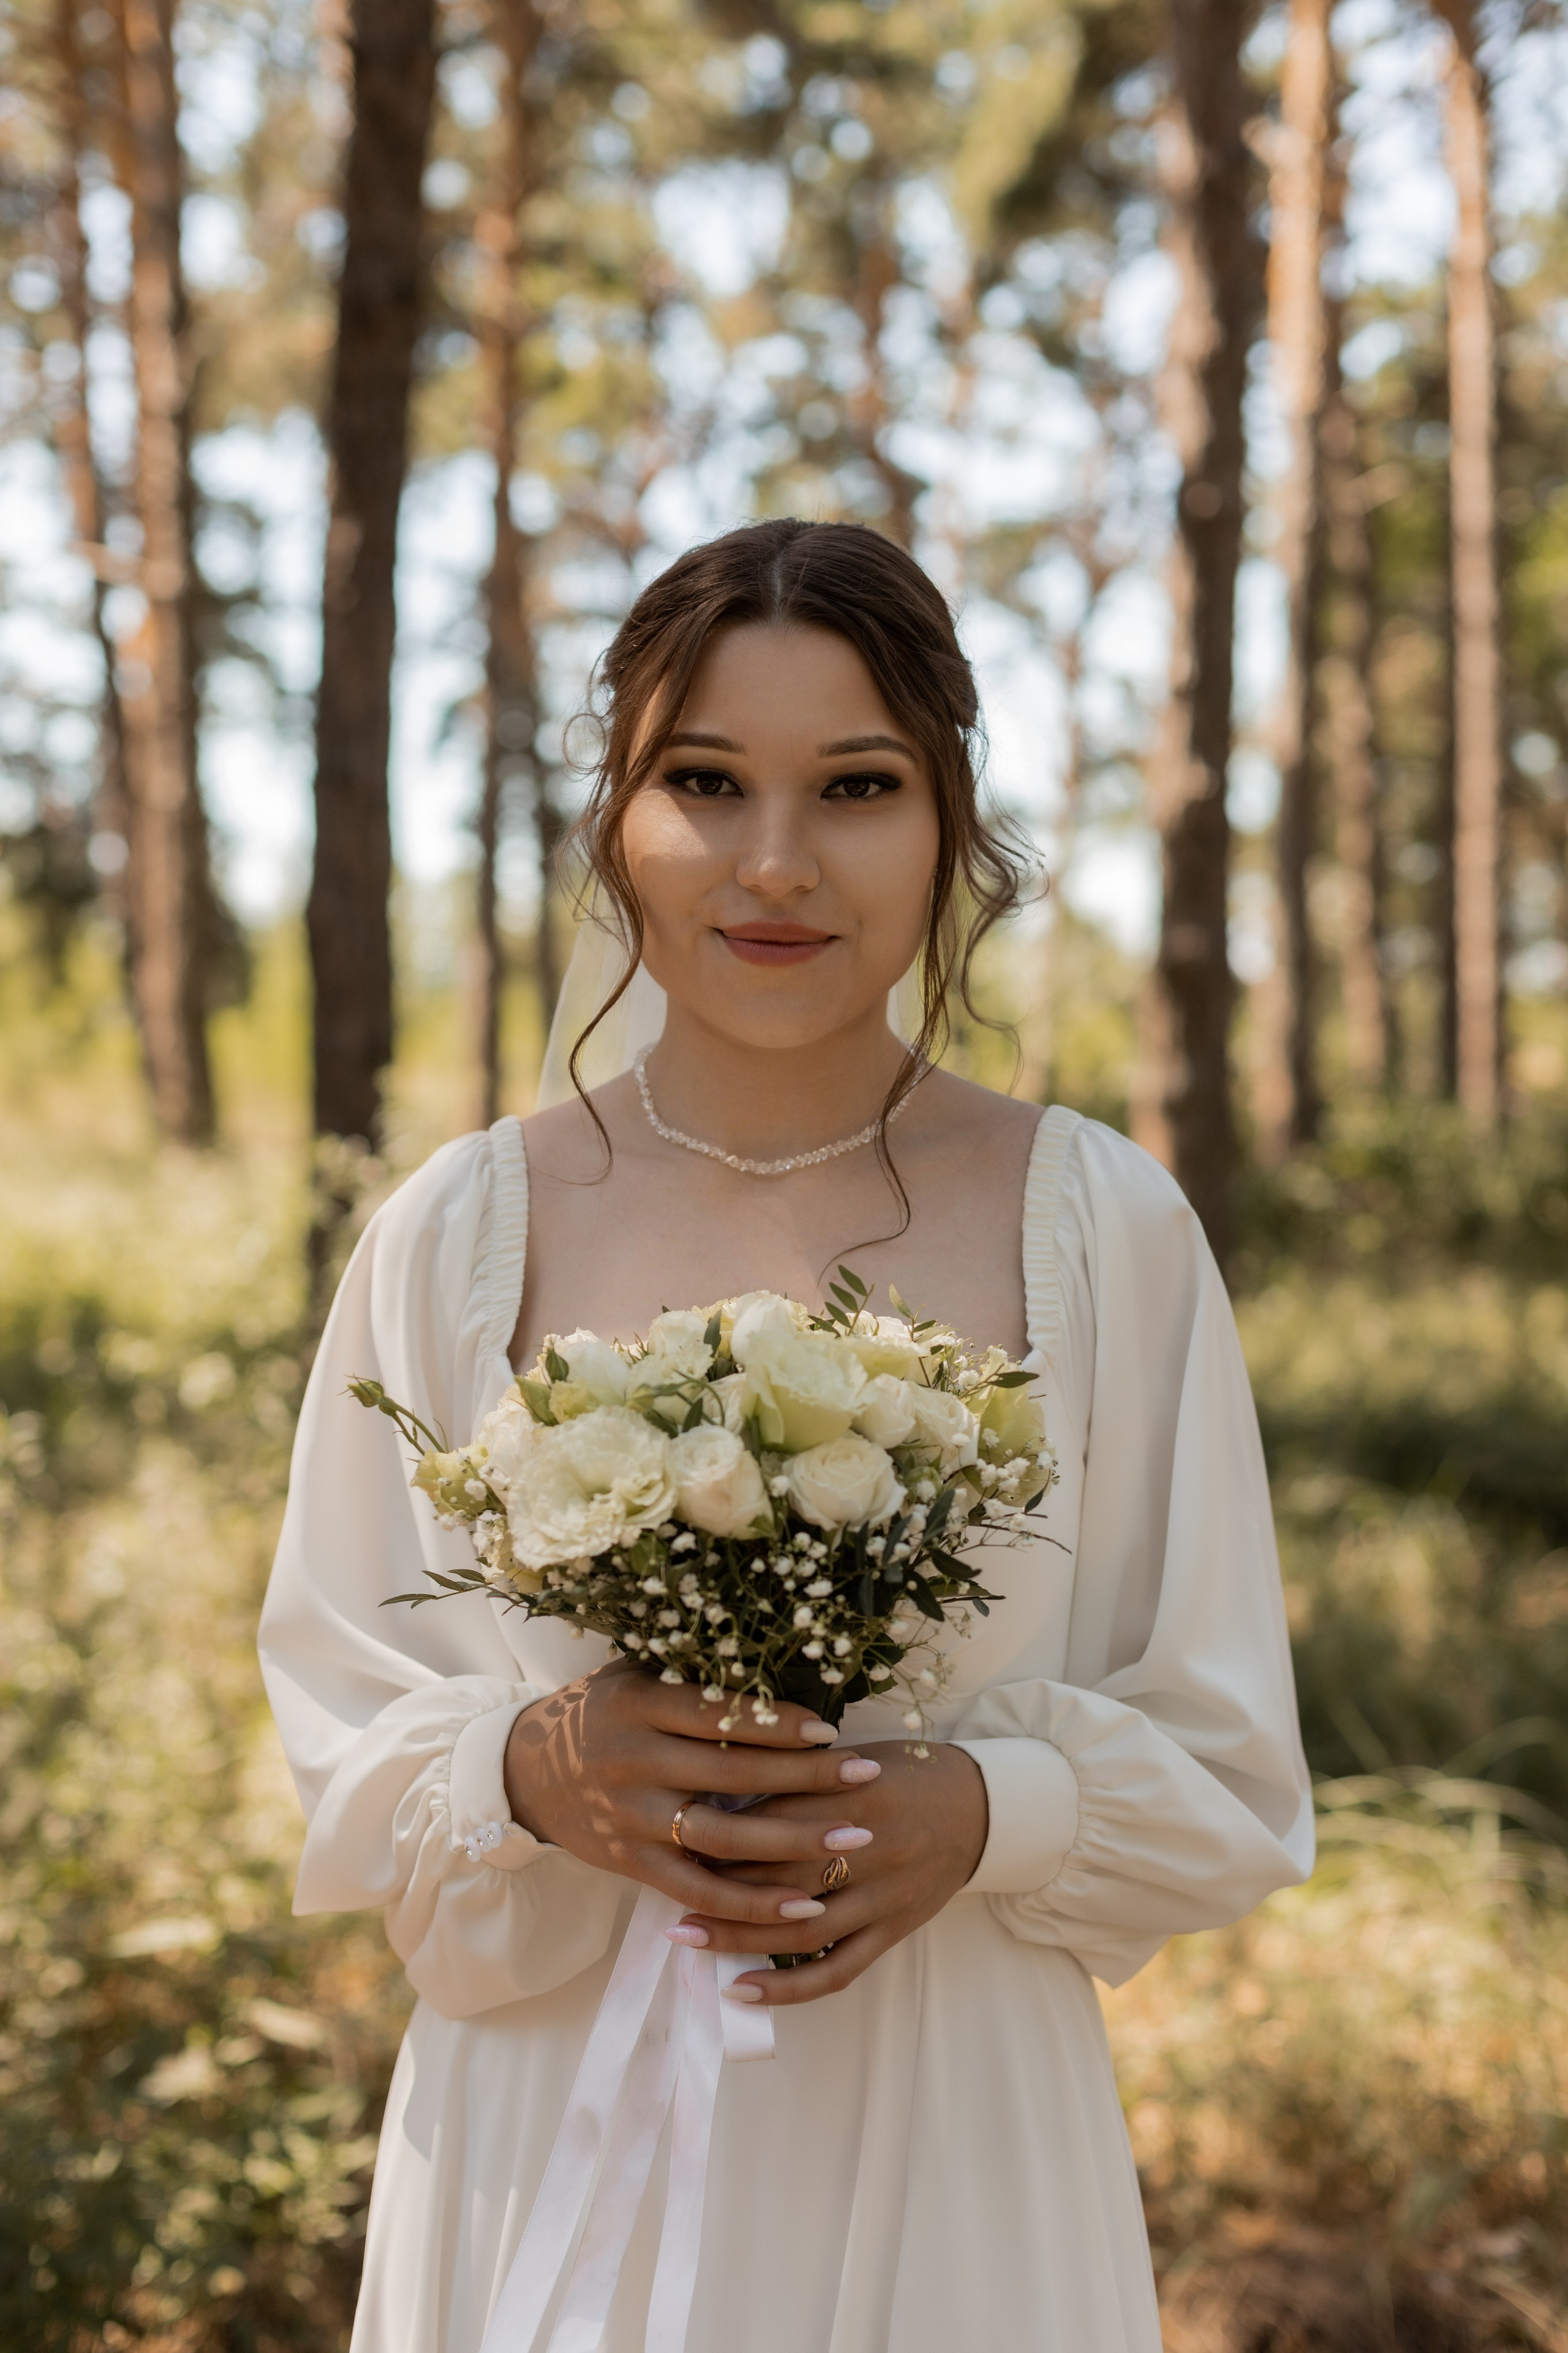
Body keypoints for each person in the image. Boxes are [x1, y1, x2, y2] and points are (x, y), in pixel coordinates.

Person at [259, 518, 1313, 2353]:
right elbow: (340, 1734)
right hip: (547, 2133)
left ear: (950, 822)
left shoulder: (1108, 1227)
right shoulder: (452, 1228)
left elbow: (1229, 1761)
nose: (774, 861)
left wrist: (990, 1806)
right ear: (616, 813)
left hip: (961, 2144)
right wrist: (533, 1766)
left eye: (855, 785)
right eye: (705, 779)